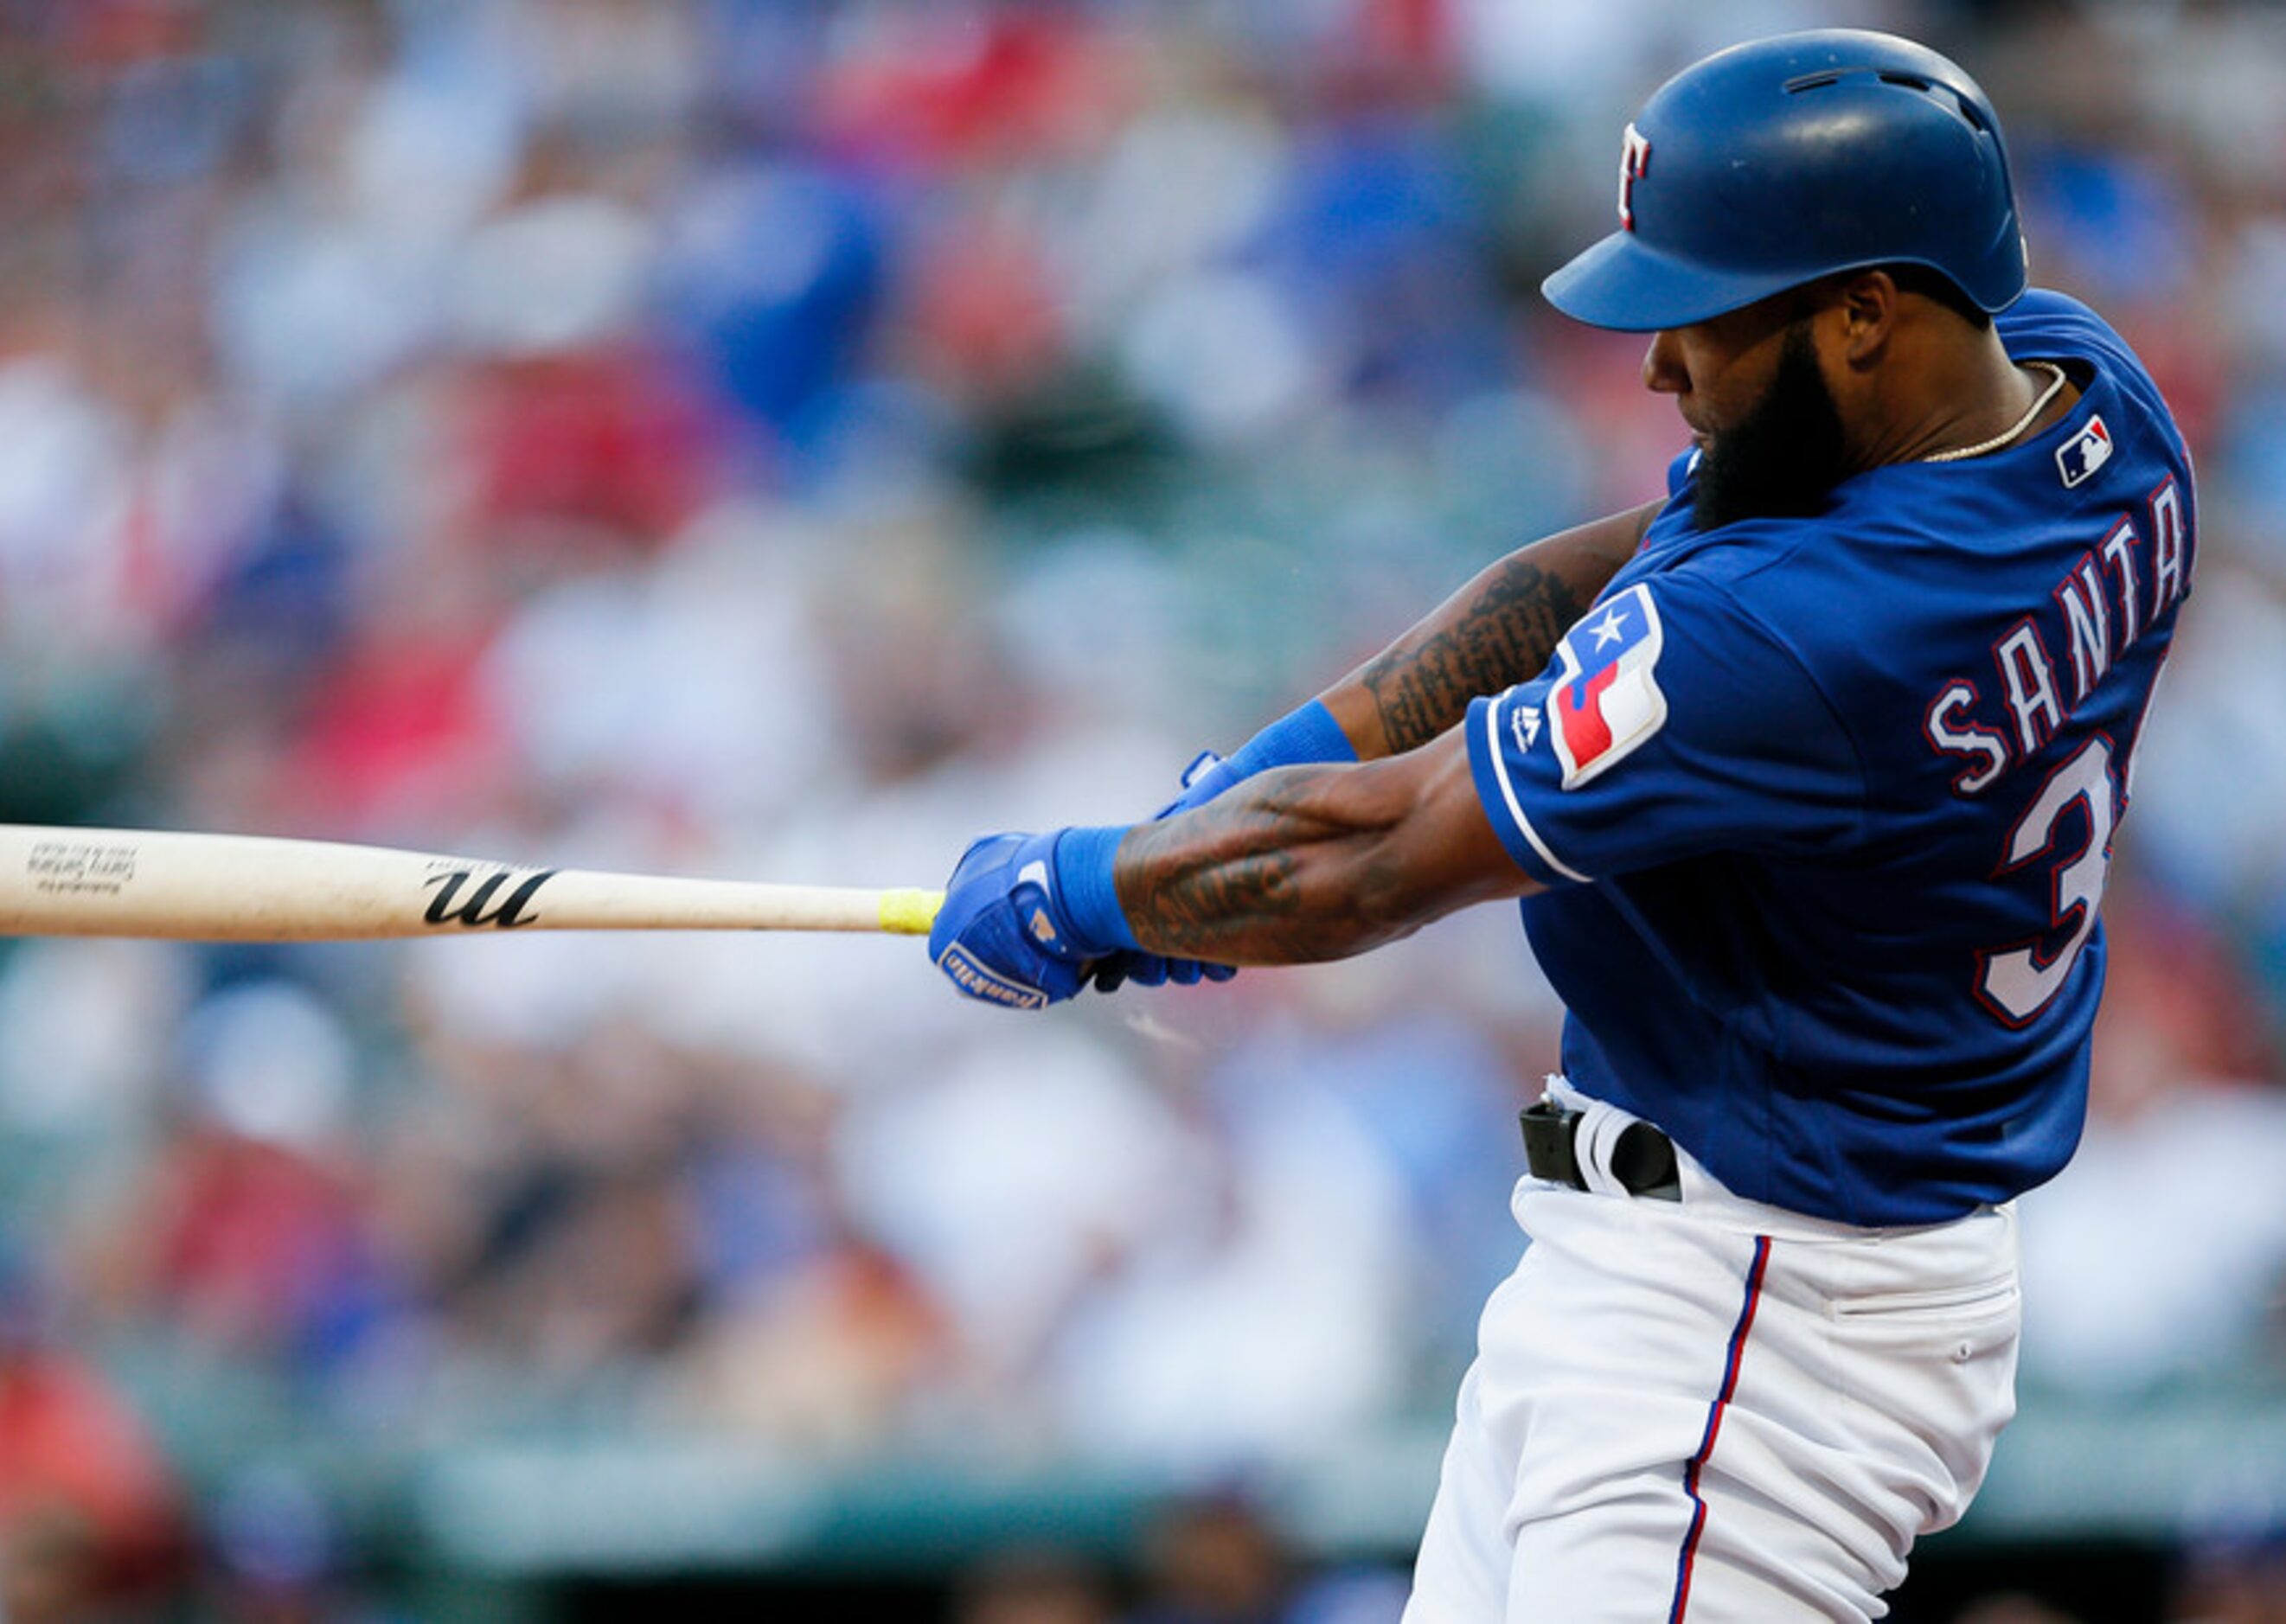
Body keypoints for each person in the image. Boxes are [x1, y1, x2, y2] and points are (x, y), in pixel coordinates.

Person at [925, 29, 2194, 1624]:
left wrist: (1090, 889)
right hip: (1688, 1264)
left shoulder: (1810, 634)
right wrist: (1237, 801)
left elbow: (1373, 867)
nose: (1661, 366)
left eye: (1704, 317)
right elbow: (1597, 577)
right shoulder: (2095, 402)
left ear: (1870, 311)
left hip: (1760, 1323)